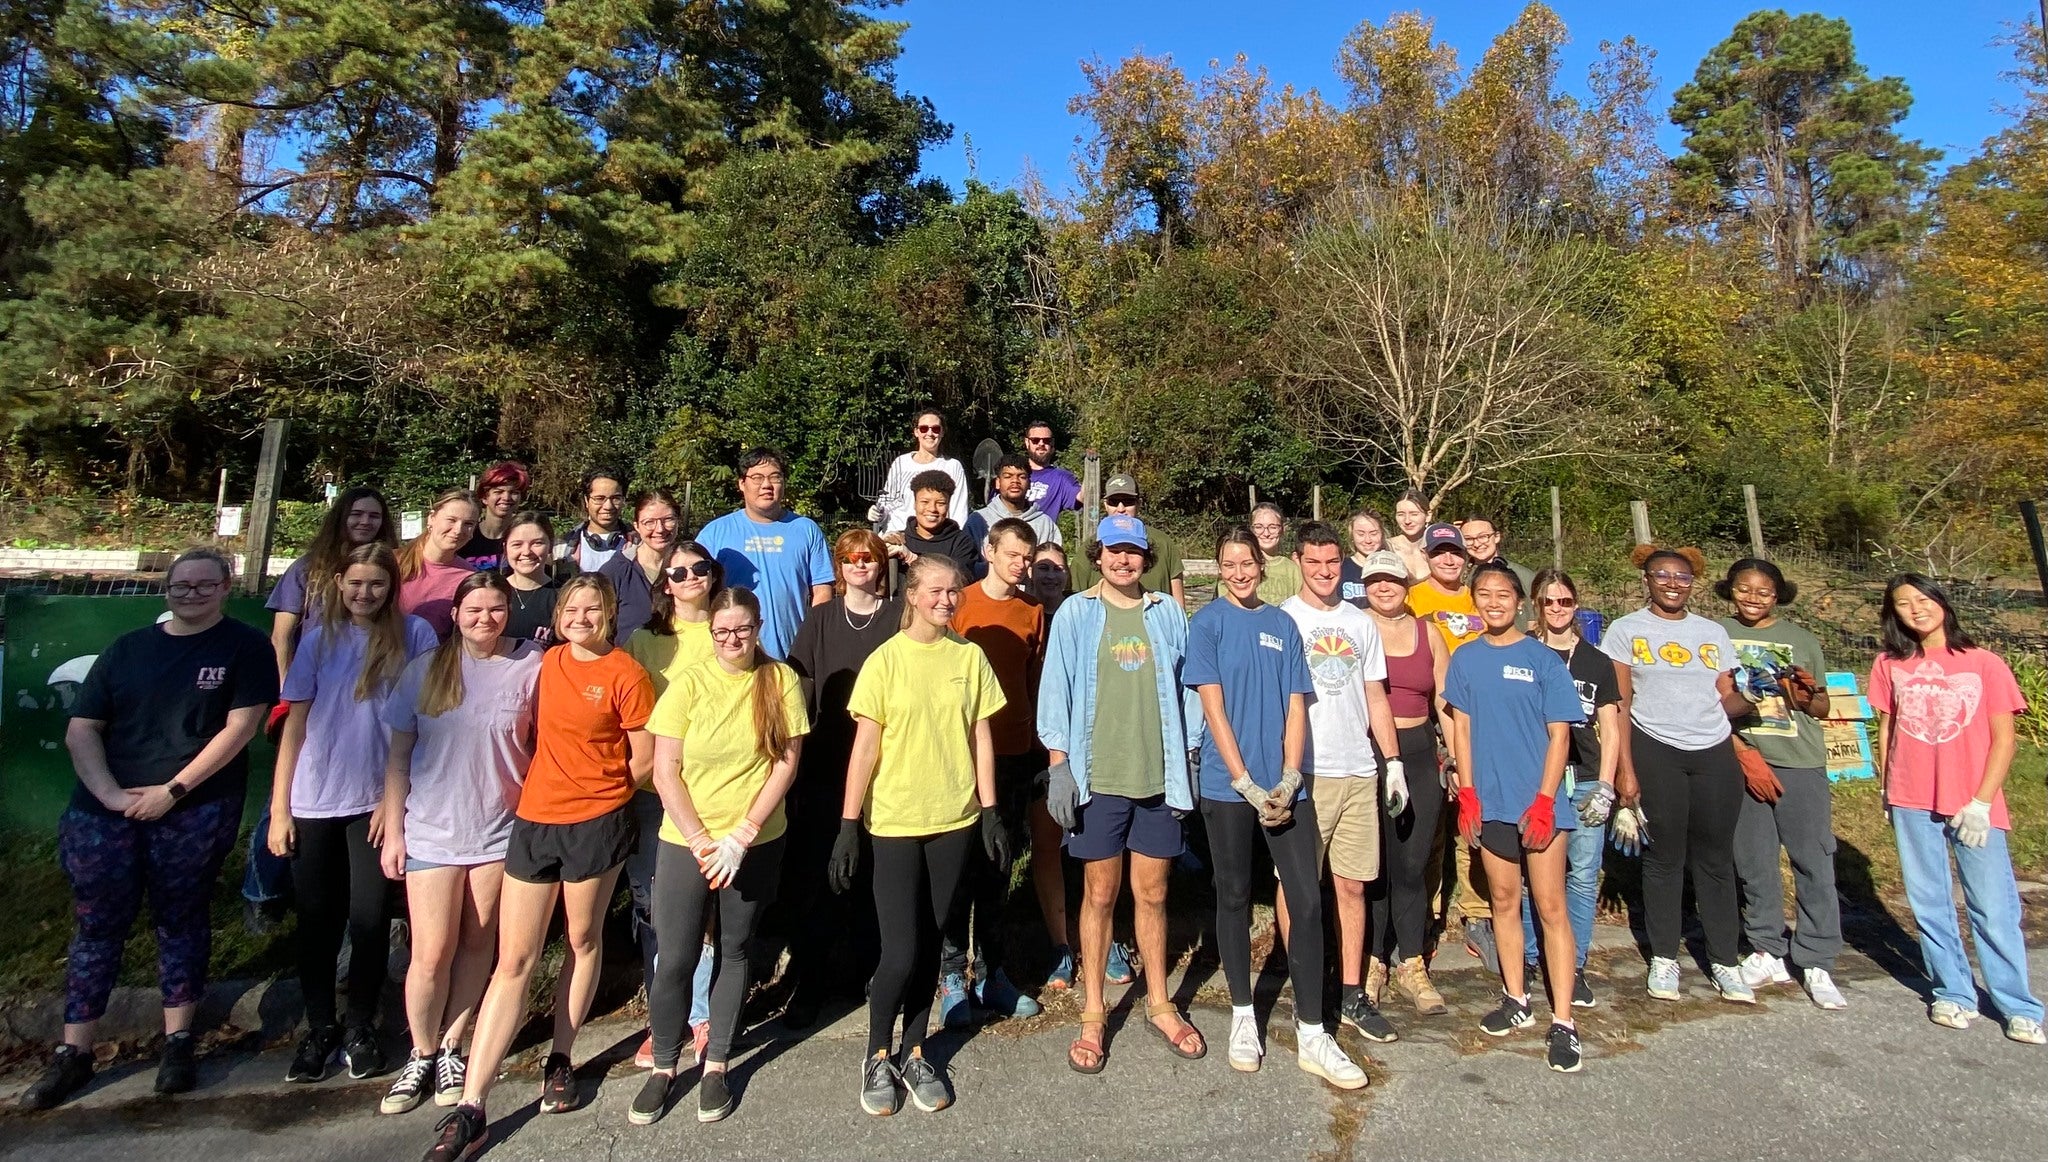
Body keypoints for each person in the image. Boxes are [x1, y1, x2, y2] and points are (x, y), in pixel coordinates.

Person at [19, 548, 276, 1111]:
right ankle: (74, 1051)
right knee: (96, 927)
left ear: (225, 587)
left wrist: (173, 792)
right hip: (102, 812)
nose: (191, 594)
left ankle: (178, 1041)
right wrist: (110, 795)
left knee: (181, 919)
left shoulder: (245, 647)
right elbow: (82, 730)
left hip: (193, 808)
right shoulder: (127, 649)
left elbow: (240, 729)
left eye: (204, 585)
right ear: (167, 589)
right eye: (182, 585)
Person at [424, 574, 655, 1161]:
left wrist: (600, 801)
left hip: (598, 824)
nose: (582, 616)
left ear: (609, 615)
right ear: (559, 612)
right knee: (515, 959)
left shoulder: (625, 673)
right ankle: (472, 1104)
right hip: (535, 820)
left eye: (593, 608)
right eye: (572, 607)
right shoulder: (544, 662)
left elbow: (645, 760)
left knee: (582, 938)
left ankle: (561, 1057)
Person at [826, 556, 1009, 1117]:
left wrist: (990, 810)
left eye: (955, 591)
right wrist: (848, 824)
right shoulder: (886, 660)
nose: (947, 600)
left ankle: (914, 1050)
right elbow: (864, 749)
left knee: (932, 943)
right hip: (895, 824)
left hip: (953, 821)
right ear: (911, 593)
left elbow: (981, 737)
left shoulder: (969, 658)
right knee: (900, 948)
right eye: (936, 590)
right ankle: (876, 1053)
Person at [1186, 525, 1365, 1089]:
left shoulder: (1282, 624)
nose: (1240, 572)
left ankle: (1313, 1031)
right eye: (1229, 563)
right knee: (1234, 897)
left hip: (1288, 790)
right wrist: (1244, 783)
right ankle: (1244, 1015)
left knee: (1307, 903)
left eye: (1248, 563)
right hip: (1227, 788)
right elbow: (1213, 710)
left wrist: (1288, 779)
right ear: (1219, 569)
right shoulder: (1208, 624)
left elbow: (1296, 707)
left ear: (1262, 567)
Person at [634, 588, 810, 1125]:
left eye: (742, 630)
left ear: (757, 628)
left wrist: (743, 834)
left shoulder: (779, 680)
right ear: (710, 632)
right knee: (677, 955)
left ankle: (717, 1063)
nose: (732, 640)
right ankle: (665, 1066)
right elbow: (665, 769)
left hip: (754, 840)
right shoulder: (688, 683)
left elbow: (786, 762)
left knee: (735, 951)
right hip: (688, 839)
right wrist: (701, 840)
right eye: (722, 632)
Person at [1037, 513, 1204, 1073]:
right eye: (1114, 551)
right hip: (1097, 777)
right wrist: (1059, 763)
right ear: (1098, 555)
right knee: (1100, 894)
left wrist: (1192, 754)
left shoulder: (1168, 615)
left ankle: (1159, 1003)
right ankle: (1093, 1012)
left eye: (1134, 552)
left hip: (1157, 777)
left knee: (1153, 894)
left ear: (1146, 559)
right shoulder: (1077, 615)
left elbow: (1190, 690)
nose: (1124, 560)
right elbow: (1055, 690)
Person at [375, 572, 544, 1114]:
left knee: (478, 944)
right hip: (432, 832)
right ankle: (420, 1052)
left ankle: (453, 1044)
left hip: (498, 831)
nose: (485, 620)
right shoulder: (426, 670)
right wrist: (395, 830)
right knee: (430, 951)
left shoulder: (531, 666)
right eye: (474, 610)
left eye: (496, 610)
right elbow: (399, 755)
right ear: (455, 614)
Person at [272, 543, 441, 1083]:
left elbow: (425, 723)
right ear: (339, 585)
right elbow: (294, 727)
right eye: (356, 584)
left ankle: (361, 1025)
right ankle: (320, 1027)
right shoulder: (318, 640)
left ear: (392, 587)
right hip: (315, 798)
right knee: (317, 921)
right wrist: (280, 809)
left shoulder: (415, 636)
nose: (365, 593)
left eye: (377, 584)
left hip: (377, 802)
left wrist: (397, 804)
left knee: (369, 921)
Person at [1870, 574, 2042, 1044]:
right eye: (1903, 604)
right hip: (1911, 799)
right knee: (1929, 901)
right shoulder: (1889, 663)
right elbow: (1888, 731)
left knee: (1992, 904)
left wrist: (1983, 801)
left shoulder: (1984, 663)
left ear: (1942, 602)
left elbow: (2005, 738)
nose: (1916, 609)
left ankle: (2018, 1003)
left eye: (1923, 599)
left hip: (1972, 801)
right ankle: (1953, 991)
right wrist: (1887, 792)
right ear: (1894, 613)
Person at [1442, 563, 1587, 1073]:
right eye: (1484, 594)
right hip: (1490, 803)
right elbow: (1461, 729)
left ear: (1521, 602)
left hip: (1538, 806)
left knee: (1550, 908)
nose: (1493, 602)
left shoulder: (1544, 660)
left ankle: (1564, 1021)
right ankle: (1517, 999)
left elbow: (1560, 735)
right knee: (1503, 902)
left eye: (1503, 594)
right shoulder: (1464, 659)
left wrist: (1546, 800)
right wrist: (1468, 793)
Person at [1601, 545, 1753, 1004]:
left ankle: (1725, 961)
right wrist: (1626, 774)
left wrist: (1759, 693)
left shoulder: (1712, 632)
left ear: (1694, 583)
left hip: (1713, 752)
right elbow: (1619, 705)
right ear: (1645, 580)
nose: (1672, 583)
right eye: (1662, 575)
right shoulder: (1626, 630)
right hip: (1655, 748)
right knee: (1663, 857)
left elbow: (1729, 697)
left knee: (1715, 859)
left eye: (1682, 577)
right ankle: (1665, 957)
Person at [1277, 522, 1403, 1043]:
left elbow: (1376, 696)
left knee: (1352, 886)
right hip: (1307, 772)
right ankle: (1301, 982)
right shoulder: (1285, 619)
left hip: (1357, 769)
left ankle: (1352, 992)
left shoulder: (1361, 622)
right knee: (1298, 889)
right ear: (1298, 562)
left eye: (1332, 562)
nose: (1325, 572)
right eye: (1314, 563)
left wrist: (1392, 761)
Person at [253, 486, 397, 931]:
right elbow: (281, 636)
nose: (365, 522)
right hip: (308, 693)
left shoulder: (388, 570)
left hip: (366, 697)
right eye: (357, 514)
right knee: (288, 799)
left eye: (374, 516)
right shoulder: (307, 570)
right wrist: (285, 695)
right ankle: (262, 891)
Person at [1715, 558, 1847, 1011]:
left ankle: (1816, 957)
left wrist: (1813, 698)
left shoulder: (1802, 640)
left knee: (1813, 859)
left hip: (1800, 762)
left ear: (1779, 595)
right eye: (1744, 589)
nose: (1753, 598)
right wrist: (1743, 755)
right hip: (1744, 761)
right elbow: (1708, 707)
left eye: (1764, 592)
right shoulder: (1716, 635)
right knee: (1753, 861)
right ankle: (1766, 948)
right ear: (1729, 589)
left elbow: (1822, 707)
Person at [781, 529, 899, 1027]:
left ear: (880, 565)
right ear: (840, 565)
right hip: (825, 762)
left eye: (868, 558)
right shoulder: (821, 618)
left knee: (876, 874)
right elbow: (799, 680)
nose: (859, 566)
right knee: (818, 874)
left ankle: (870, 973)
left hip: (885, 763)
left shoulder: (898, 617)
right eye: (849, 559)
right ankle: (811, 980)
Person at [621, 539, 725, 1069]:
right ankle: (665, 1014)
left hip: (713, 789)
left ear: (713, 574)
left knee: (704, 909)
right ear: (666, 584)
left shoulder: (728, 630)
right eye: (678, 573)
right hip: (653, 793)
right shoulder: (644, 641)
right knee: (654, 909)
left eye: (699, 569)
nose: (689, 578)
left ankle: (702, 1013)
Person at [939, 517, 1047, 1026]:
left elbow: (1035, 680)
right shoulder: (960, 605)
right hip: (960, 755)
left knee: (999, 866)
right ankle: (952, 975)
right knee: (960, 867)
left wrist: (1039, 750)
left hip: (1012, 753)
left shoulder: (1032, 611)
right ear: (989, 549)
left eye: (1027, 559)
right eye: (1012, 555)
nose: (1020, 566)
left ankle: (994, 973)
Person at [1519, 569, 1621, 1010]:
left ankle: (1573, 964)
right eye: (1548, 602)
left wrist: (1607, 786)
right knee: (1532, 875)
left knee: (1580, 874)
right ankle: (1526, 954)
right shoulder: (1525, 654)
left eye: (1564, 602)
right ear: (1536, 608)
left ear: (1576, 606)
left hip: (1583, 779)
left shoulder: (1597, 661)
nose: (1557, 609)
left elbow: (1612, 729)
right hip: (1537, 778)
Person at [1357, 549, 1451, 1016]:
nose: (1383, 588)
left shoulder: (1428, 633)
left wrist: (1453, 760)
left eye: (1391, 580)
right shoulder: (1354, 628)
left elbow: (1446, 705)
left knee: (1412, 864)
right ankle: (1373, 959)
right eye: (1374, 580)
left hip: (1417, 754)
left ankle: (1412, 960)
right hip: (1369, 752)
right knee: (1372, 863)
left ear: (1405, 585)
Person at [1405, 521, 1492, 967]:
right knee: (1433, 821)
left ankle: (1476, 913)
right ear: (1428, 556)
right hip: (1436, 717)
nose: (1448, 560)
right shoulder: (1414, 596)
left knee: (1472, 818)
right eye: (1439, 553)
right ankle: (1428, 912)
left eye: (1454, 552)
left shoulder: (1479, 596)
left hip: (1481, 717)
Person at [694, 447, 834, 661]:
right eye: (757, 477)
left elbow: (822, 592)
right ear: (741, 484)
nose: (766, 485)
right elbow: (695, 592)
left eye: (775, 477)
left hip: (795, 654)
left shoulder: (806, 530)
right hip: (733, 655)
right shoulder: (715, 534)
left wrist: (811, 639)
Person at [1066, 474, 1185, 607]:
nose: (1121, 509)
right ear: (1105, 505)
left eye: (1128, 501)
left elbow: (1178, 603)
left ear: (1138, 504)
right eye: (1114, 502)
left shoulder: (1164, 542)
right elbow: (1075, 599)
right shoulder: (1089, 546)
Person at [598, 487, 683, 644]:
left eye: (668, 520)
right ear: (636, 526)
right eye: (649, 522)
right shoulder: (616, 571)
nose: (660, 529)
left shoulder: (692, 569)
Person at [397, 489, 482, 639]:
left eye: (468, 523)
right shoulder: (393, 561)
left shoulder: (469, 579)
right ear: (431, 518)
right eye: (451, 520)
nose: (458, 530)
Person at [873, 409, 971, 533]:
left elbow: (959, 511)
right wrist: (879, 512)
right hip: (895, 534)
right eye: (924, 428)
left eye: (936, 429)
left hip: (933, 538)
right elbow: (889, 501)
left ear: (942, 433)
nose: (930, 433)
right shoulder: (901, 463)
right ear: (916, 432)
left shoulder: (952, 466)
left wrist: (955, 540)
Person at [886, 469, 981, 578]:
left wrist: (912, 559)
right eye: (925, 502)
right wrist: (878, 550)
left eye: (940, 503)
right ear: (915, 503)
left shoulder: (962, 542)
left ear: (948, 505)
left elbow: (959, 580)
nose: (932, 509)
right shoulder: (900, 540)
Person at [967, 454, 1062, 547]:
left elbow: (1053, 559)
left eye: (1022, 477)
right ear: (997, 482)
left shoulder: (1045, 524)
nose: (1015, 481)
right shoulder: (978, 521)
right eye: (1008, 476)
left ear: (1029, 483)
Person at [1457, 515, 1534, 624]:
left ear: (1497, 536)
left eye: (1483, 536)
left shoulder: (1523, 576)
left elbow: (1534, 618)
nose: (1477, 544)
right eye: (1468, 539)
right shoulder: (1459, 576)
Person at [556, 467, 633, 573]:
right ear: (586, 501)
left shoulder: (640, 544)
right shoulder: (561, 547)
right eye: (600, 499)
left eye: (615, 498)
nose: (608, 506)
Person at [499, 513, 560, 644]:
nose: (526, 551)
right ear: (505, 548)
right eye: (517, 544)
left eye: (537, 543)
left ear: (550, 545)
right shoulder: (492, 592)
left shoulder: (564, 597)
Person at [457, 462, 530, 570]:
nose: (506, 497)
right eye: (499, 492)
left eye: (514, 492)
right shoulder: (466, 535)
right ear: (484, 497)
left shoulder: (525, 538)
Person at [1023, 420, 1081, 521]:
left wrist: (1091, 468)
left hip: (1044, 535)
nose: (1041, 444)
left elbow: (1082, 498)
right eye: (1035, 440)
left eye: (1046, 440)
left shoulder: (1061, 478)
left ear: (1052, 443)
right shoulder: (1012, 473)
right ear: (1027, 442)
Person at [1251, 503, 1302, 606]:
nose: (1266, 533)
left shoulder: (1292, 569)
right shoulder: (1243, 565)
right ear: (1251, 530)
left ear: (1282, 530)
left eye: (1273, 527)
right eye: (1259, 527)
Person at [1339, 509, 1387, 608]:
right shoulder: (1340, 568)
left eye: (1373, 534)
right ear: (1352, 535)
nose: (1368, 540)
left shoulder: (1392, 568)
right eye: (1361, 534)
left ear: (1382, 534)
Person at [1388, 490, 1432, 581]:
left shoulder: (1438, 548)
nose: (1407, 521)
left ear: (1428, 516)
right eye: (1401, 514)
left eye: (1414, 514)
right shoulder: (1387, 547)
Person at [1029, 542, 1070, 617]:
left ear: (1067, 573)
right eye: (1043, 568)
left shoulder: (1078, 609)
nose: (1051, 576)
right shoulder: (1021, 609)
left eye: (1058, 569)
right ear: (1030, 571)